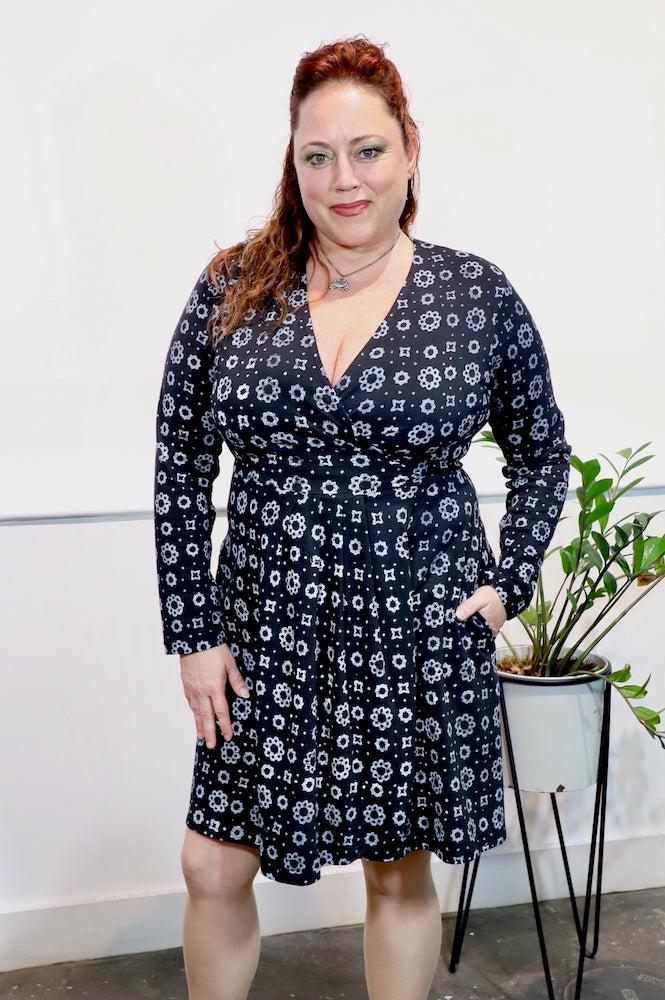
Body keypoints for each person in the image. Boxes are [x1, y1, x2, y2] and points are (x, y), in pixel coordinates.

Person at [153, 34, 572, 1000]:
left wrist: (505, 584)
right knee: (212, 863)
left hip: (413, 627)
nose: (344, 179)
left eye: (368, 150)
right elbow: (180, 467)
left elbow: (543, 452)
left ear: (409, 151)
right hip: (264, 624)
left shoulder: (474, 296)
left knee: (396, 871)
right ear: (293, 162)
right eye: (319, 155)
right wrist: (193, 634)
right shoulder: (233, 286)